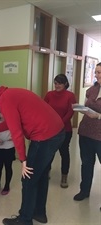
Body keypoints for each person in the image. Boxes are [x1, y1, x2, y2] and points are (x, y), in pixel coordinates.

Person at [0, 83, 65, 225]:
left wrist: (23, 160)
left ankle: (25, 219)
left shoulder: (5, 100)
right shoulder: (10, 94)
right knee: (41, 175)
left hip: (44, 136)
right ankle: (39, 213)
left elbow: (16, 133)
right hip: (56, 133)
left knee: (28, 178)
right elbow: (13, 122)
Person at [73, 62, 101, 203]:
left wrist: (98, 116)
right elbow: (86, 105)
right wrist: (81, 108)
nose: (96, 75)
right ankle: (84, 191)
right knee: (86, 164)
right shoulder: (91, 90)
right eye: (96, 72)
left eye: (99, 72)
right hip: (86, 133)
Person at [44, 74, 76, 188]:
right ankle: (46, 171)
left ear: (65, 84)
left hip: (64, 129)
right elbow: (44, 109)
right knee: (49, 152)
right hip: (50, 129)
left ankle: (64, 176)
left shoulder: (70, 96)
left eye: (60, 83)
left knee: (64, 152)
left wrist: (60, 123)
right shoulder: (49, 94)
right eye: (55, 83)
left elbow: (71, 111)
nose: (57, 86)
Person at [0, 112, 15, 195]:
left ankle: (7, 186)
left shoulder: (12, 122)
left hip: (9, 148)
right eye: (1, 113)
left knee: (8, 167)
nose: (3, 115)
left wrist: (12, 138)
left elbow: (17, 133)